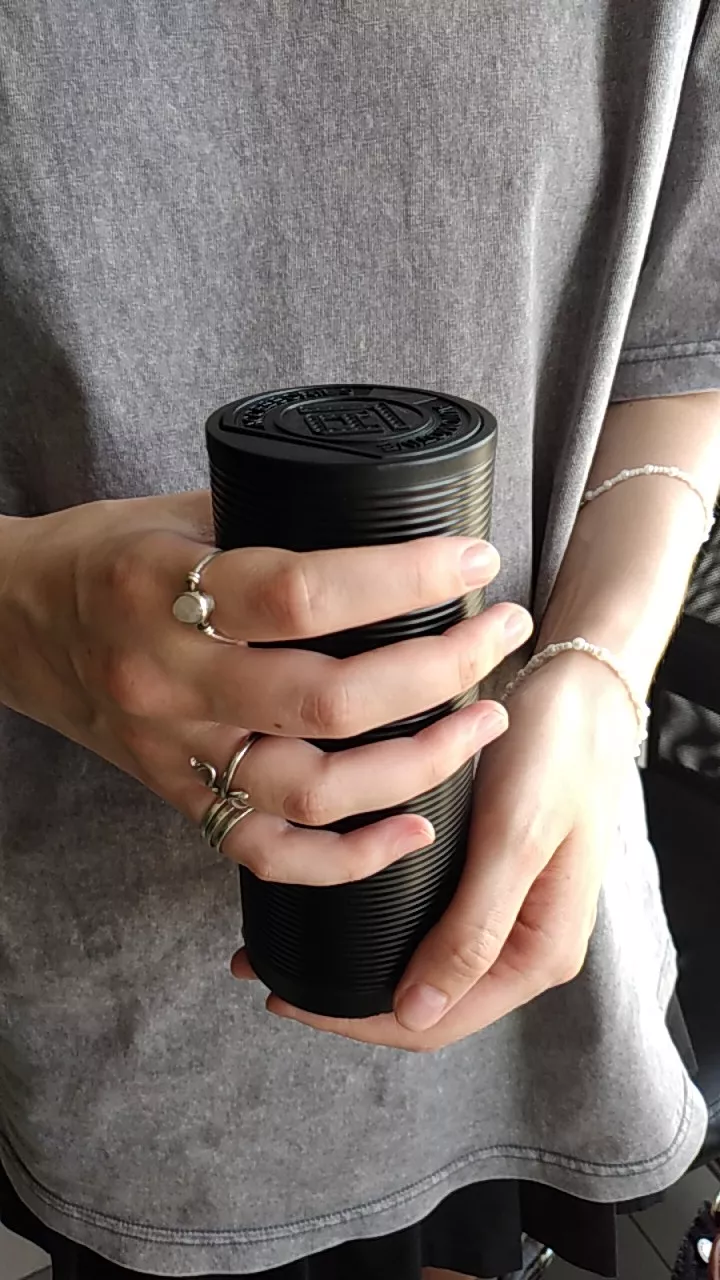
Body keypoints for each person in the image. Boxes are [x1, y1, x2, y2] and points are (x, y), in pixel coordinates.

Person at [0, 2, 719, 1278]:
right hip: (107, 1015)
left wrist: (597, 678)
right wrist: (19, 608)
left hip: (533, 907)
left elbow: (678, 347)